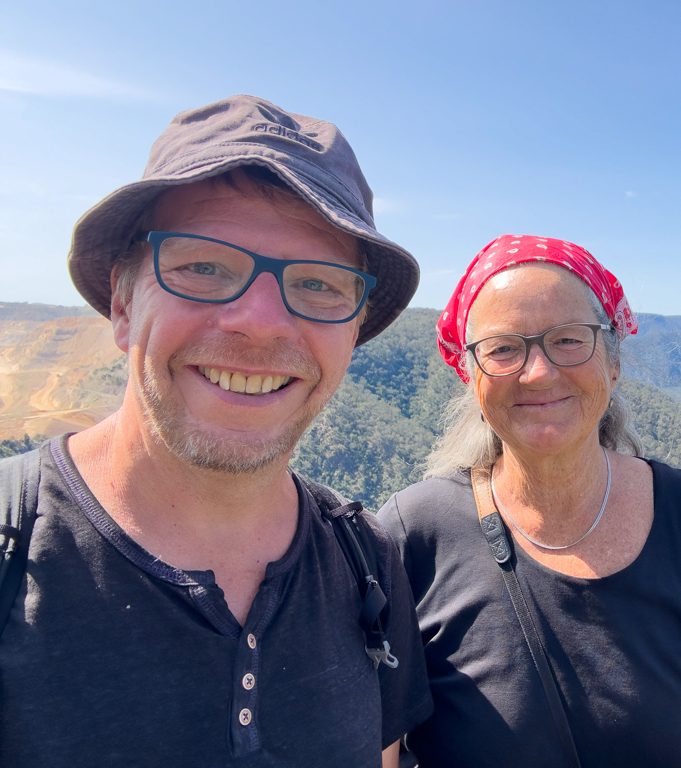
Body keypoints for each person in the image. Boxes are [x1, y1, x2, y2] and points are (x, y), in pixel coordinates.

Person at [0, 95, 432, 767]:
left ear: (352, 332)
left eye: (319, 283)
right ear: (121, 301)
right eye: (203, 265)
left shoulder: (366, 561)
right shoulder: (11, 541)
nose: (258, 321)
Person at [378, 234, 681, 767]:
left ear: (613, 361)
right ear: (471, 375)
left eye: (569, 339)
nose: (538, 372)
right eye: (504, 348)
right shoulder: (413, 533)